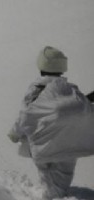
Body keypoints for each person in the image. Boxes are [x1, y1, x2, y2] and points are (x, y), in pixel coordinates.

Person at [8, 46, 94, 200]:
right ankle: (59, 194)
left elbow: (26, 113)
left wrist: (15, 132)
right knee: (63, 178)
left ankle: (52, 196)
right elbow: (84, 107)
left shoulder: (37, 89)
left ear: (41, 66)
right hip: (70, 143)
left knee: (47, 178)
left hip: (44, 144)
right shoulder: (70, 88)